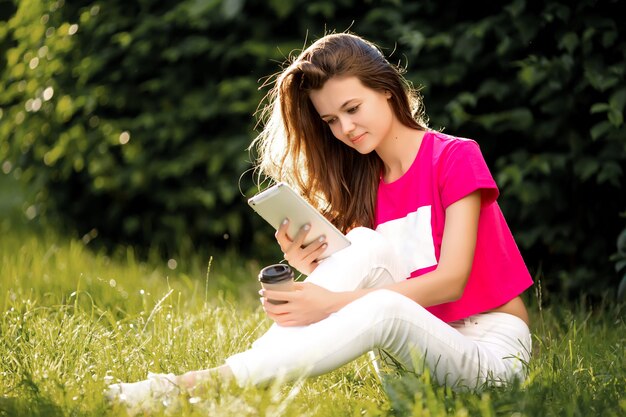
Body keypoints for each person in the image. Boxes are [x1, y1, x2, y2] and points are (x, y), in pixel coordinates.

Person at [105, 32, 533, 412]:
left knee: (380, 297)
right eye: (331, 120)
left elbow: (451, 281)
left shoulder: (454, 156)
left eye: (352, 108)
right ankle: (234, 386)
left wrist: (328, 303)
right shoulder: (364, 185)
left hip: (488, 356)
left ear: (386, 89)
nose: (345, 128)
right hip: (409, 369)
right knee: (364, 243)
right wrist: (311, 267)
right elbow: (365, 283)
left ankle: (200, 387)